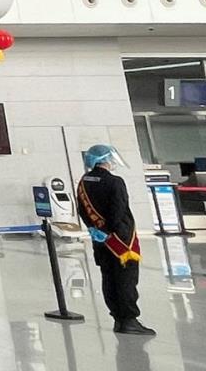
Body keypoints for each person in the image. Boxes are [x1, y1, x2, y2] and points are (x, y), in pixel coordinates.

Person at [75, 143, 154, 336]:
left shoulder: (84, 182)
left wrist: (96, 229)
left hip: (100, 240)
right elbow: (118, 211)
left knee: (109, 278)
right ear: (105, 160)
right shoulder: (115, 182)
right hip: (121, 242)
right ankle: (129, 320)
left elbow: (82, 210)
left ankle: (118, 318)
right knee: (126, 279)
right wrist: (112, 230)